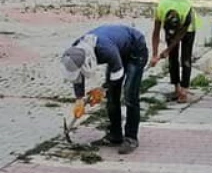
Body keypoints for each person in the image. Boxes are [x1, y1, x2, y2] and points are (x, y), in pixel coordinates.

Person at [62, 25, 148, 154]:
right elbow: (77, 73)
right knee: (112, 97)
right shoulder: (74, 50)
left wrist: (102, 89)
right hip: (118, 49)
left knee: (130, 94)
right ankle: (115, 135)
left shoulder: (104, 49)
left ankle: (131, 138)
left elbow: (118, 73)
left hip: (135, 49)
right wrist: (79, 98)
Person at [151, 0, 197, 103]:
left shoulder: (187, 14)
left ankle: (184, 90)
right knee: (172, 57)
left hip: (188, 29)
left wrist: (167, 50)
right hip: (173, 16)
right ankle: (177, 89)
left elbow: (179, 36)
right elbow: (156, 33)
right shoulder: (160, 10)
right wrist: (154, 54)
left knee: (185, 58)